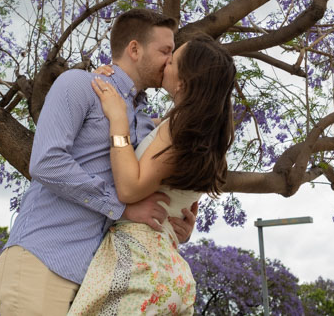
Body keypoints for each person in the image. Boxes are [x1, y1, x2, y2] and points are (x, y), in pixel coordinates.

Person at [0, 9, 197, 316]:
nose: (169, 62)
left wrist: (172, 221)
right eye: (165, 51)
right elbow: (47, 161)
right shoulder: (78, 84)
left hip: (96, 280)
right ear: (134, 49)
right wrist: (123, 207)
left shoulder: (143, 125)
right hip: (43, 262)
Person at [68, 34, 236, 315]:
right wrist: (103, 86)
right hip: (167, 270)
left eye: (172, 60)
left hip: (139, 267)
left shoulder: (179, 130)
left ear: (184, 81)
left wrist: (118, 119)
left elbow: (129, 189)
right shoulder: (201, 137)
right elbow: (143, 127)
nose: (165, 62)